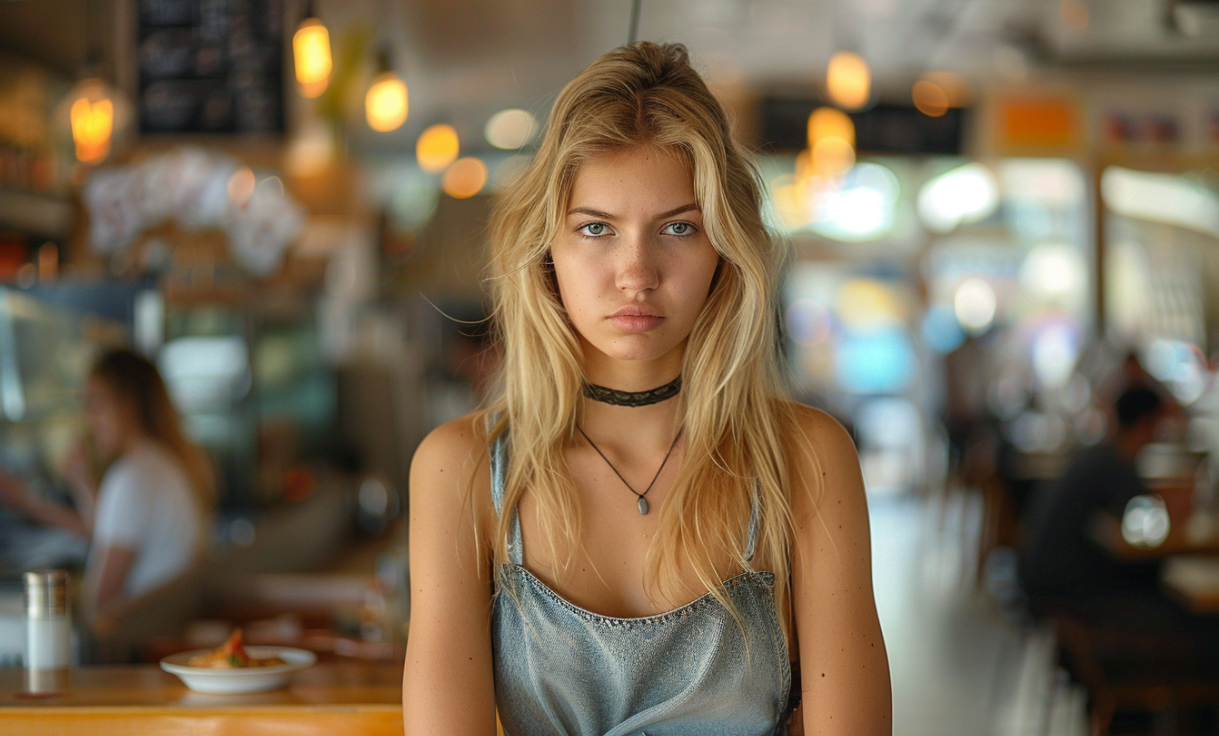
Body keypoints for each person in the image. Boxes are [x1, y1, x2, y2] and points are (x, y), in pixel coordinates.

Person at [402, 43, 890, 736]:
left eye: (677, 228)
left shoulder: (805, 458)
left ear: (724, 250)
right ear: (547, 251)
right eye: (595, 228)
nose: (635, 272)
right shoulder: (462, 469)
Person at [0, 348, 213, 619]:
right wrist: (77, 485)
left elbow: (98, 603)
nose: (89, 421)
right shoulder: (159, 464)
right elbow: (107, 530)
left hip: (145, 644)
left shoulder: (131, 478)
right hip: (168, 627)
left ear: (128, 407)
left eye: (96, 404)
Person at [1018, 385, 1167, 603]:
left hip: (1039, 573)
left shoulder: (1099, 455)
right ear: (1147, 422)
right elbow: (1148, 524)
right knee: (1154, 581)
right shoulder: (1114, 465)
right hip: (1062, 586)